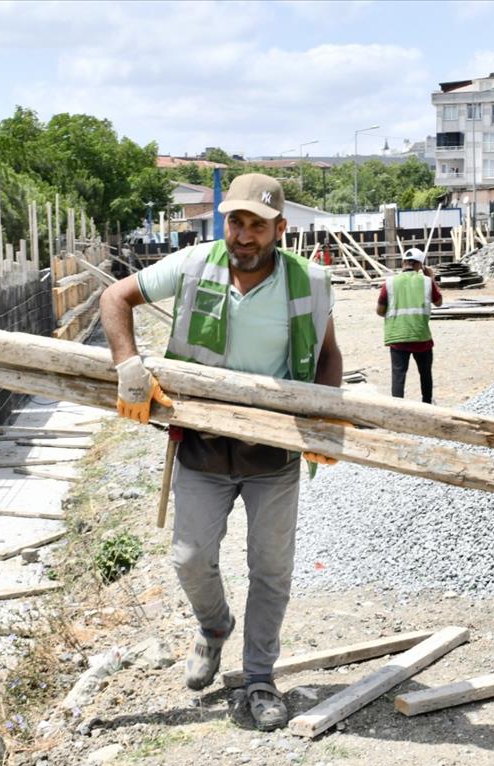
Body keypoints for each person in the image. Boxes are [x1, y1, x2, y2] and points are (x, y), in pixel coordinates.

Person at [99, 173, 343, 731]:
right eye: (236, 221)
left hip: (272, 449)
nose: (245, 235)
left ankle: (259, 678)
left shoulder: (309, 282)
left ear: (280, 228)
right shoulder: (193, 265)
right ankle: (213, 628)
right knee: (189, 557)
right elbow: (117, 297)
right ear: (223, 223)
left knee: (271, 568)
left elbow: (329, 355)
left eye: (258, 224)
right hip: (202, 444)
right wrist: (128, 368)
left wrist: (326, 418)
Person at [377, 247, 442, 403]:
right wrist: (431, 278)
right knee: (425, 374)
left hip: (398, 337)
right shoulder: (426, 283)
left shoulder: (390, 283)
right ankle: (427, 405)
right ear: (420, 265)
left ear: (403, 262)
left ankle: (398, 408)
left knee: (398, 376)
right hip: (421, 337)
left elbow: (380, 311)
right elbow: (439, 302)